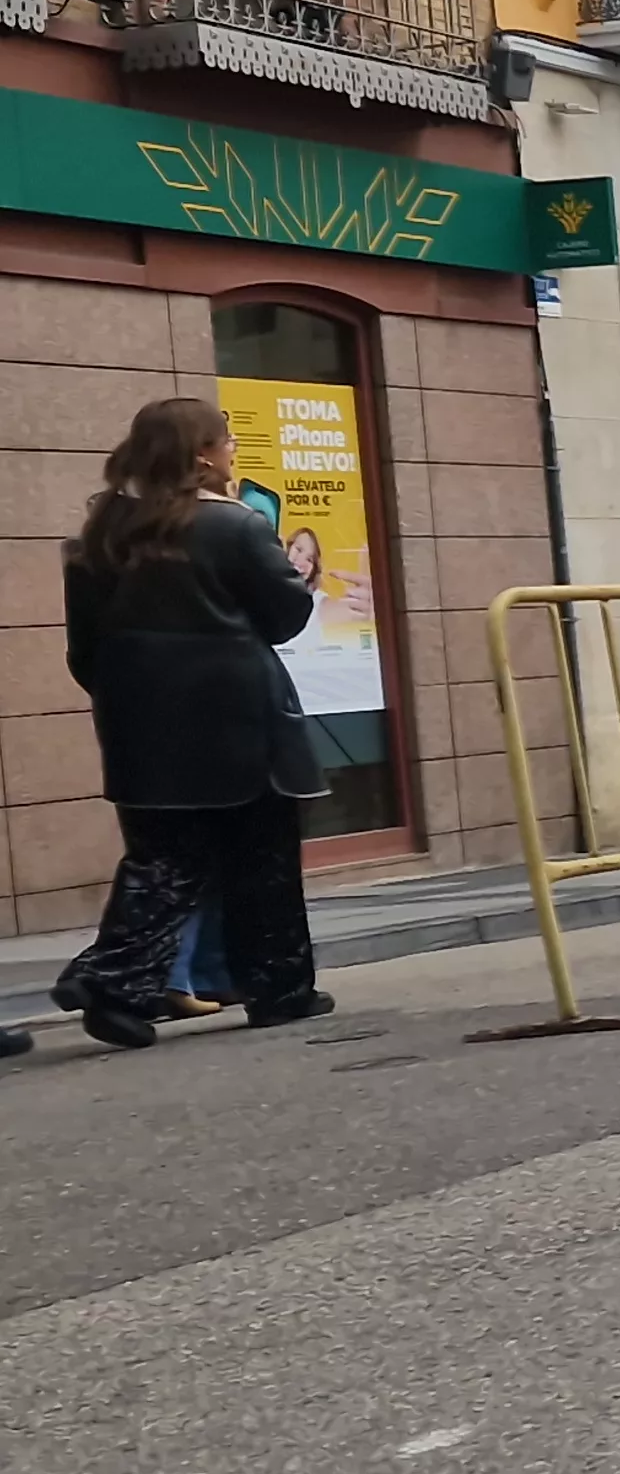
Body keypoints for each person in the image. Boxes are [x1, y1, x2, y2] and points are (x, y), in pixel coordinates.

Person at [50, 396, 333, 1047]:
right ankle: (279, 991)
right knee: (261, 858)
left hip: (137, 723)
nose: (234, 449)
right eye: (227, 439)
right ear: (203, 454)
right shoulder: (233, 527)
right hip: (236, 714)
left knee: (163, 857)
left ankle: (115, 984)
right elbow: (285, 616)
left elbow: (84, 649)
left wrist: (135, 699)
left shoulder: (102, 530)